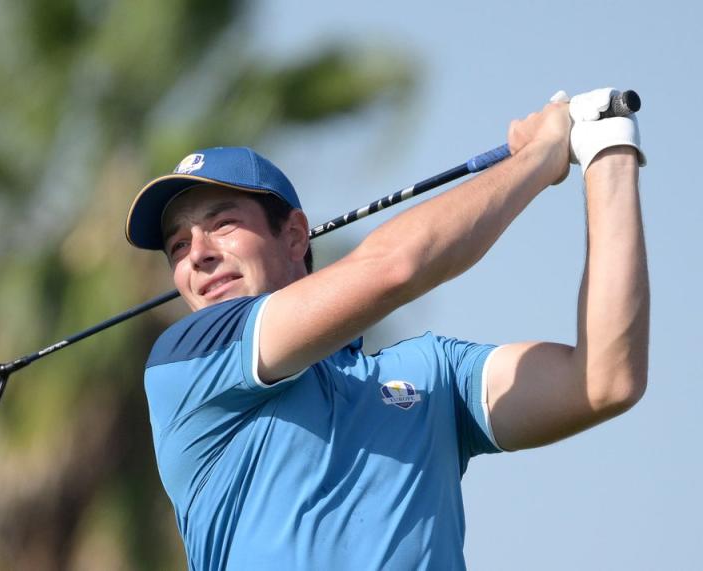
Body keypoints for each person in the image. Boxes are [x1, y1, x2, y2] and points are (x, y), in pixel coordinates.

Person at [123, 88, 647, 570]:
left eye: (222, 223)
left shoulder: (433, 373)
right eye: (178, 246)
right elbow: (394, 268)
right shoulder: (188, 362)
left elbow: (605, 380)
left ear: (295, 236)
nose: (198, 255)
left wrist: (609, 153)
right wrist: (542, 156)